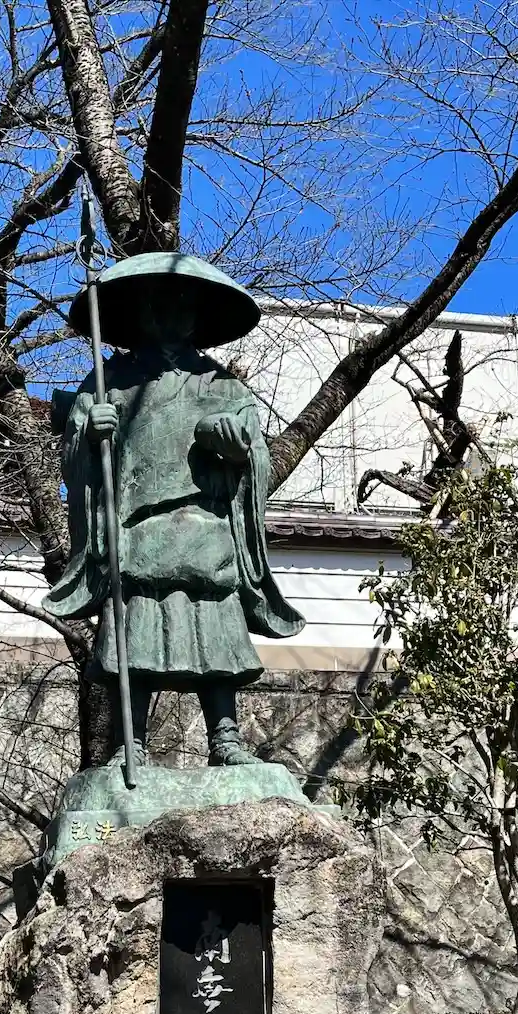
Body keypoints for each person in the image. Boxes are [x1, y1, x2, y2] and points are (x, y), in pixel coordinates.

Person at [43, 252, 304, 767]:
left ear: (199, 317)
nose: (171, 316)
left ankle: (225, 737)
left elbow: (256, 457)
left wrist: (238, 450)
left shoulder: (225, 387)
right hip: (137, 526)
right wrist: (90, 430)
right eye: (158, 305)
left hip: (206, 528)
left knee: (216, 630)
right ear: (138, 313)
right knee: (137, 629)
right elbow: (76, 454)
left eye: (184, 306)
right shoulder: (109, 382)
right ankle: (132, 743)